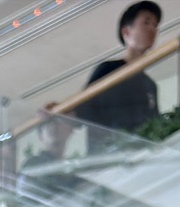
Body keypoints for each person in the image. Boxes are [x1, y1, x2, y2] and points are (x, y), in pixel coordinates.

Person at [70, 3, 163, 136]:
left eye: (155, 25)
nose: (152, 29)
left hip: (141, 147)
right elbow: (80, 113)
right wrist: (55, 112)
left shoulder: (150, 85)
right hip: (108, 147)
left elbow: (155, 126)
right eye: (146, 23)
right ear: (126, 32)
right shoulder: (108, 70)